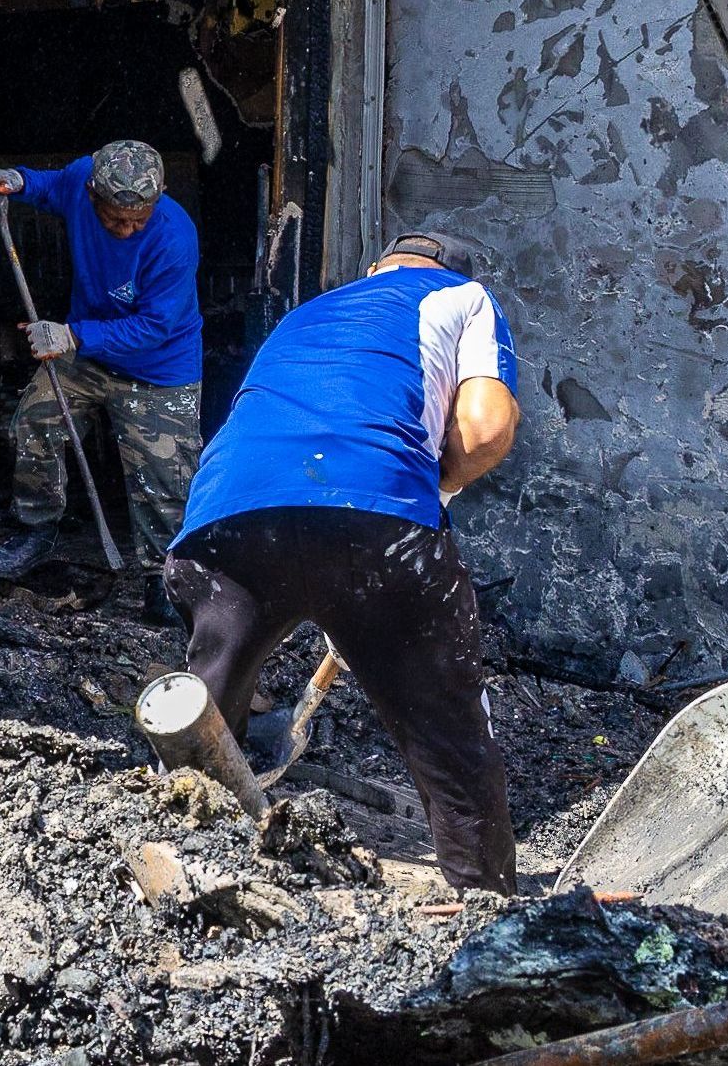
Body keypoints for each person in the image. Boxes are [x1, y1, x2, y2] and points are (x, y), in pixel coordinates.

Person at [163, 231, 521, 893]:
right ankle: (486, 900)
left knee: (206, 707)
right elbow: (485, 426)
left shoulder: (309, 312)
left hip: (222, 515)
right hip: (371, 514)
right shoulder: (462, 296)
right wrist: (429, 491)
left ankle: (192, 867)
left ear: (375, 268)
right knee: (444, 720)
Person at [0, 141, 203, 625]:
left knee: (166, 480)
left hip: (159, 371)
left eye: (139, 219)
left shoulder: (174, 238)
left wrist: (70, 334)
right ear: (92, 194)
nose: (128, 228)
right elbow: (49, 186)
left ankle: (164, 577)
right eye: (117, 219)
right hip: (88, 355)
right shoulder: (79, 181)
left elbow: (154, 327)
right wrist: (16, 177)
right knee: (34, 420)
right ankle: (38, 527)